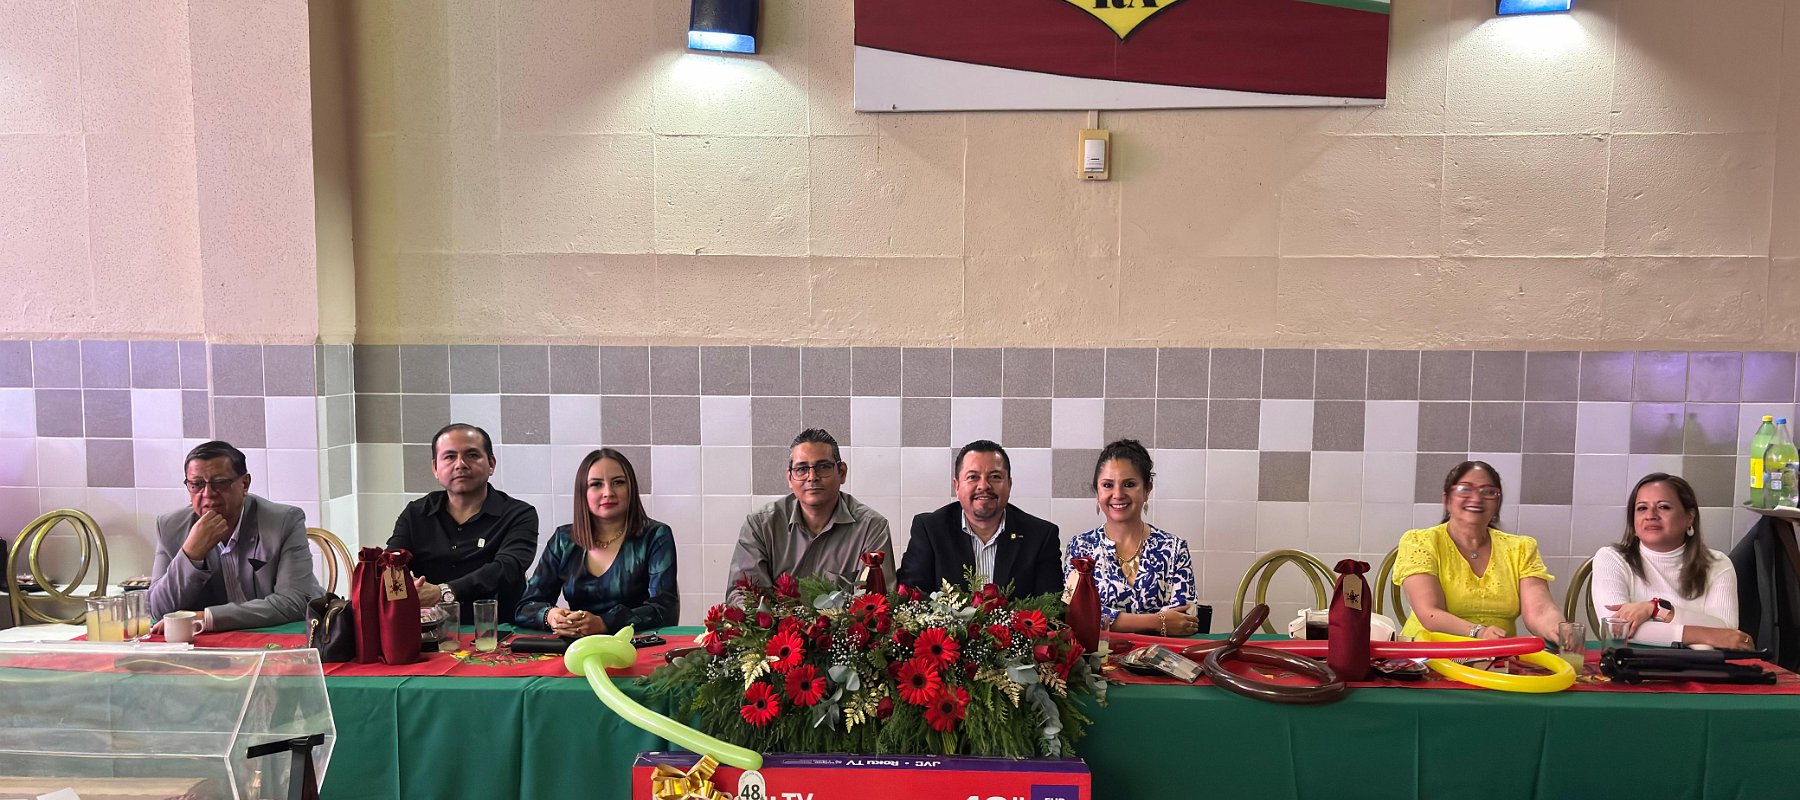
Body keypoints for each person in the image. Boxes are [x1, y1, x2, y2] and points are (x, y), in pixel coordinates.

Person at [147, 441, 323, 631]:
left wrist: (207, 618)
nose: (208, 494)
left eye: (220, 483)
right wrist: (190, 555)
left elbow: (294, 601)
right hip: (213, 644)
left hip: (280, 634)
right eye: (196, 485)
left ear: (244, 484)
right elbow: (158, 610)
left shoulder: (283, 522)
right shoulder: (170, 527)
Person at [1394, 460, 1565, 640]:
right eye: (1465, 489)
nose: (1476, 499)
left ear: (1497, 503)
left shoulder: (1521, 548)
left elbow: (1540, 611)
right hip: (1429, 651)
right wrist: (1479, 632)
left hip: (1498, 654)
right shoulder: (1419, 542)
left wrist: (1560, 630)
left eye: (1488, 492)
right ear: (1447, 500)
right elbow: (1429, 613)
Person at [514, 449, 678, 634]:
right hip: (577, 644)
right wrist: (551, 616)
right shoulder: (563, 540)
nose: (608, 492)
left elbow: (665, 609)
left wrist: (605, 623)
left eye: (618, 482)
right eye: (596, 484)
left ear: (631, 488)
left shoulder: (656, 535)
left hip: (635, 643)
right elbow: (525, 608)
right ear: (582, 492)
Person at [725, 428, 894, 604]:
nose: (812, 477)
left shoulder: (871, 527)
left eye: (823, 467)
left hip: (844, 623)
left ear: (842, 472)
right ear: (790, 478)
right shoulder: (760, 525)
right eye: (802, 469)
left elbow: (876, 601)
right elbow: (741, 593)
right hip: (776, 623)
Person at [389, 423, 538, 621]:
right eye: (450, 457)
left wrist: (443, 593)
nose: (460, 464)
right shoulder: (415, 514)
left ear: (491, 463)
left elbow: (507, 568)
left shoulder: (519, 514)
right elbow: (391, 565)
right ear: (435, 468)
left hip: (499, 629)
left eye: (472, 455)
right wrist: (406, 589)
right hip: (429, 628)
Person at [1590, 473, 1744, 649]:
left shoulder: (1718, 564)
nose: (1650, 515)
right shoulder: (1611, 558)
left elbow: (1727, 631)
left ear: (1689, 517)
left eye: (1663, 507)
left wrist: (1655, 609)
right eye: (1642, 508)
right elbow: (1616, 629)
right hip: (1634, 663)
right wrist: (1702, 634)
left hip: (1700, 664)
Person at [1065, 440, 1198, 635]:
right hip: (1099, 654)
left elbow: (1183, 621)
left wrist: (1109, 620)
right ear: (1098, 491)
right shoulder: (1080, 548)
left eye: (1129, 484)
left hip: (1162, 654)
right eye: (1107, 485)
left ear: (1147, 489)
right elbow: (1075, 615)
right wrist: (1157, 621)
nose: (1118, 494)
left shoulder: (1174, 548)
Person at [898, 440, 1062, 597]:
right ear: (956, 486)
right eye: (973, 477)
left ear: (1009, 484)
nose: (984, 486)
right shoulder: (930, 530)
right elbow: (909, 599)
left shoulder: (1040, 536)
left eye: (995, 476)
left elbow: (1050, 607)